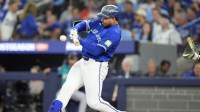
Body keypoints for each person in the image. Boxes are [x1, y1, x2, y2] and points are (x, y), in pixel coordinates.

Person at [48, 5, 126, 112]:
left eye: (106, 17)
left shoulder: (114, 33)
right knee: (66, 89)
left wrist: (80, 40)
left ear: (114, 18)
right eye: (102, 16)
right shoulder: (101, 22)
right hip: (82, 62)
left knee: (94, 102)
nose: (103, 19)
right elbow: (84, 24)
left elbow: (97, 51)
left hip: (96, 66)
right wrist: (75, 29)